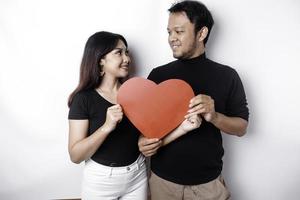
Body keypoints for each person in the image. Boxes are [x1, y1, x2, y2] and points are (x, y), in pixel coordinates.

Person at [138, 1, 249, 200]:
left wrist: (214, 116)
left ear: (201, 33)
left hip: (208, 186)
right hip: (162, 183)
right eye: (169, 32)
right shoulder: (158, 75)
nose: (172, 38)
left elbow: (241, 128)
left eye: (179, 31)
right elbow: (146, 130)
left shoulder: (227, 76)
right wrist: (143, 142)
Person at [67, 31, 148, 200]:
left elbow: (144, 136)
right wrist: (106, 127)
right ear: (100, 60)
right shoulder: (83, 99)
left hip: (137, 175)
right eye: (119, 52)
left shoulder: (137, 93)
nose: (127, 59)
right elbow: (76, 155)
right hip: (101, 181)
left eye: (127, 53)